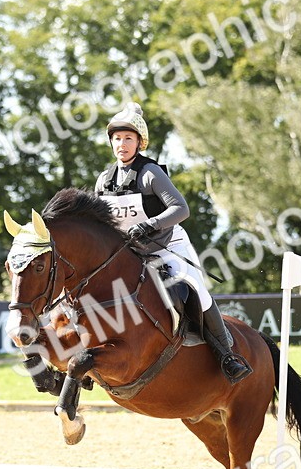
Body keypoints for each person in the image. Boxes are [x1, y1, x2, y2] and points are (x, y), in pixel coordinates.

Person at [94, 102, 252, 384]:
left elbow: (181, 209)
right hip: (128, 254)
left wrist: (150, 225)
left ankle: (227, 354)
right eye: (117, 138)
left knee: (194, 289)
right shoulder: (103, 181)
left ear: (139, 142)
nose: (122, 144)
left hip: (165, 246)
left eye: (128, 138)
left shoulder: (150, 173)